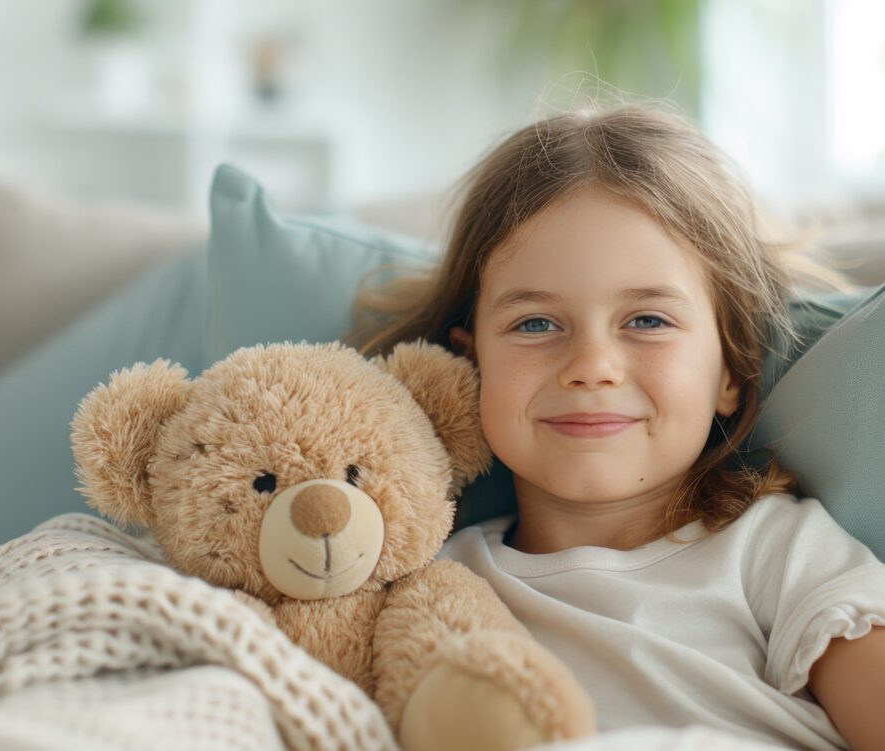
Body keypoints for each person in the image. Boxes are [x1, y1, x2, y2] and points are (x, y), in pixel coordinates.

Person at [352, 104, 885, 750]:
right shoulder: (425, 579)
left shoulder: (777, 553)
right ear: (470, 363)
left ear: (730, 370)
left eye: (647, 321)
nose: (591, 367)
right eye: (535, 324)